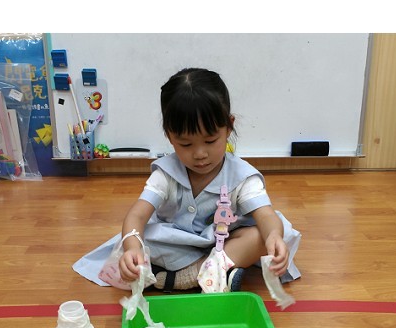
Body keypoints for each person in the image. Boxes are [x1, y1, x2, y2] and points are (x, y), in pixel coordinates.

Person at [73, 67, 301, 292]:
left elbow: (266, 215)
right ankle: (214, 274)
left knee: (267, 233)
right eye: (186, 144)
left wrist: (274, 236)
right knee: (139, 237)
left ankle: (187, 276)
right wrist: (133, 248)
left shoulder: (241, 176)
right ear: (169, 135)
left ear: (229, 127)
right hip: (177, 243)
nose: (200, 154)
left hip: (225, 243)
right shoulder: (166, 173)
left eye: (210, 141)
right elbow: (137, 215)